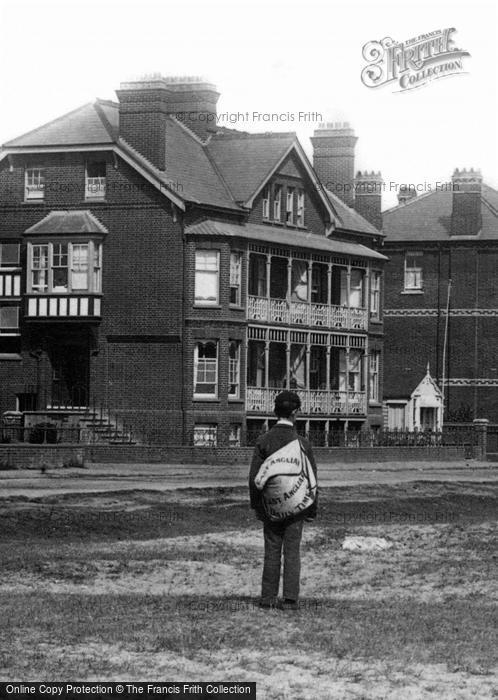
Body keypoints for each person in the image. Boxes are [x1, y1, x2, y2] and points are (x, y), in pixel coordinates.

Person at [248, 390, 318, 610]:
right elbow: (312, 479)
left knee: (271, 550)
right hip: (296, 507)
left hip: (270, 507)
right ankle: (289, 599)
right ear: (295, 413)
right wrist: (311, 510)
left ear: (275, 411)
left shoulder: (263, 441)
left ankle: (267, 598)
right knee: (292, 552)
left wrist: (258, 507)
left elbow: (254, 479)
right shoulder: (303, 444)